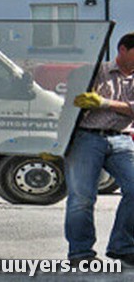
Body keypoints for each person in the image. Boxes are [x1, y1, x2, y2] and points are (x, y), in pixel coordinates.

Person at [64, 32, 134, 266]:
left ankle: (122, 247)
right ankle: (80, 254)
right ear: (122, 50)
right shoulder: (95, 71)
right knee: (82, 198)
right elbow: (70, 108)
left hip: (122, 139)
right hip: (86, 137)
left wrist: (104, 103)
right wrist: (59, 143)